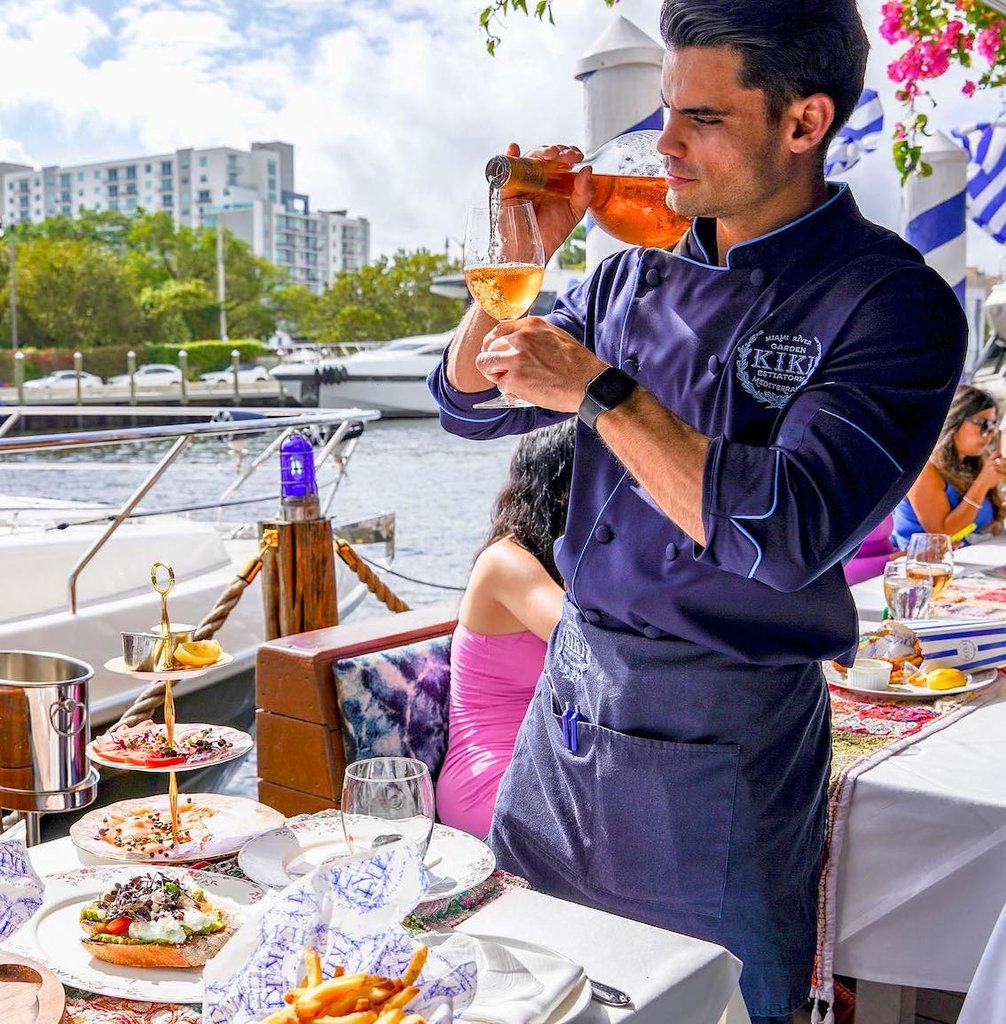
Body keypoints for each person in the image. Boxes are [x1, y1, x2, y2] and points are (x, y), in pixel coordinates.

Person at [428, 1, 967, 1019]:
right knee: (524, 992)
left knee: (705, 1003)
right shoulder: (627, 269)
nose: (662, 142)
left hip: (719, 739)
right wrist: (521, 268)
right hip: (567, 711)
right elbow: (466, 401)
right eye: (664, 109)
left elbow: (788, 528)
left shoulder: (888, 303)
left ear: (802, 124)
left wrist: (599, 390)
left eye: (702, 118)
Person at [436, 420, 575, 839]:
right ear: (563, 488)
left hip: (549, 763)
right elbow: (589, 644)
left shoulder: (558, 562)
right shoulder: (506, 563)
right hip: (490, 777)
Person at [891, 385, 1006, 550]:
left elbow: (987, 521)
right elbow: (943, 535)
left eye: (994, 425)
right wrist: (982, 484)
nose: (990, 433)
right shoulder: (924, 467)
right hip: (923, 568)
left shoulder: (975, 463)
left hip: (969, 560)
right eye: (984, 424)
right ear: (954, 419)